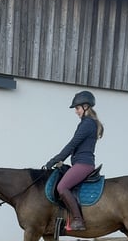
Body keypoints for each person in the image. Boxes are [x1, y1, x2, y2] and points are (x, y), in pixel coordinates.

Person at [44, 90, 104, 231]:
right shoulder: (88, 123)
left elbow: (73, 144)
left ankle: (78, 220)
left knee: (62, 187)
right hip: (80, 163)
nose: (76, 112)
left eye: (77, 108)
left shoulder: (88, 123)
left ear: (86, 107)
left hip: (84, 164)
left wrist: (54, 160)